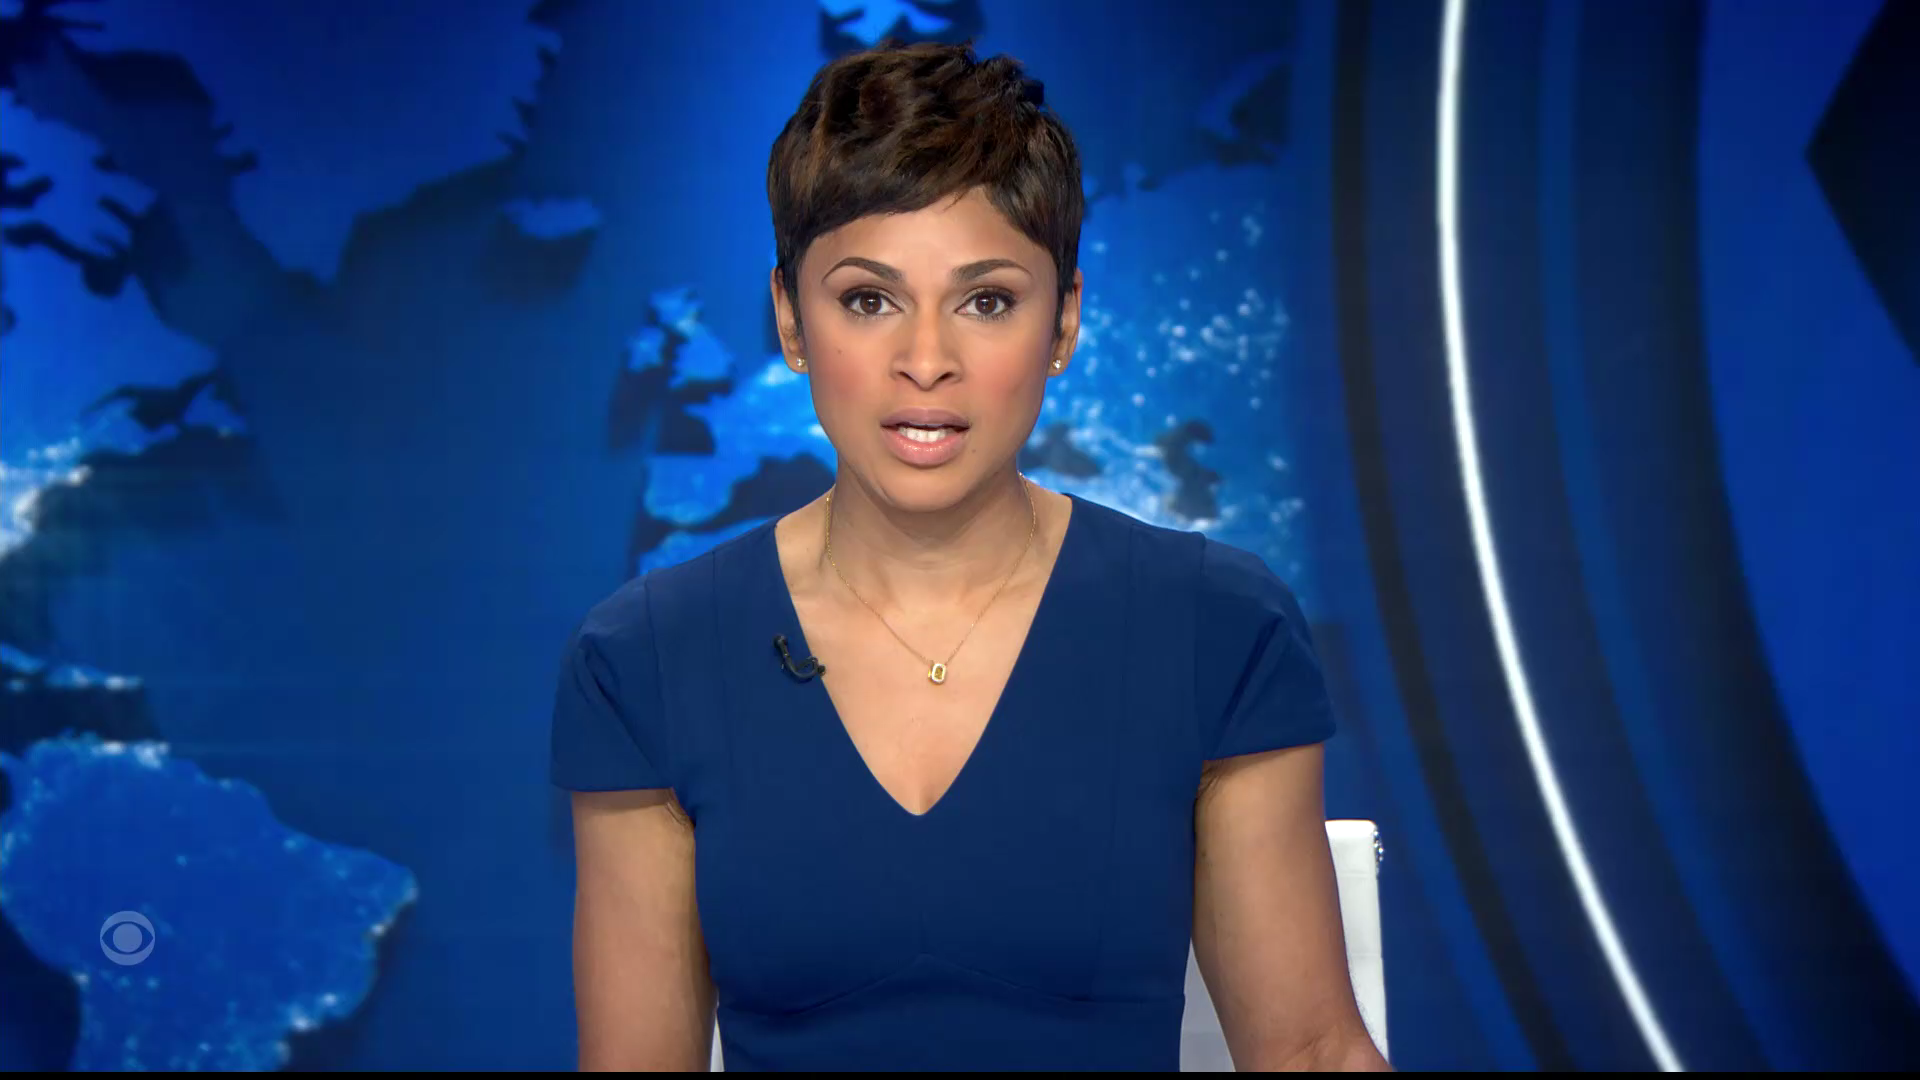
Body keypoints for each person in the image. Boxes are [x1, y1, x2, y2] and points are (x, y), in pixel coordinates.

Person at [549, 39, 1389, 1073]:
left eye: (986, 300)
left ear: (1064, 321)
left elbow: (1309, 1051)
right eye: (868, 300)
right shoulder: (644, 659)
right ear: (790, 320)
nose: (927, 361)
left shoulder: (1217, 628)